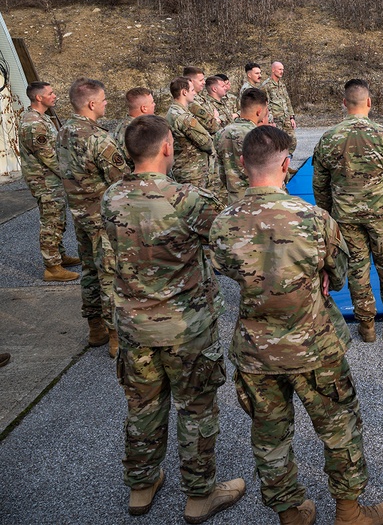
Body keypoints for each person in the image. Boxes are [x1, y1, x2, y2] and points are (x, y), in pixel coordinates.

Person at [211, 126, 383, 525]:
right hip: (314, 347)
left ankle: (291, 514)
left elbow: (227, 269)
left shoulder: (224, 222)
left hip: (255, 350)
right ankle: (348, 513)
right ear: (286, 165)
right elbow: (340, 274)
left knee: (270, 436)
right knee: (339, 430)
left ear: (242, 164)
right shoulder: (314, 219)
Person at [102, 115, 245, 523]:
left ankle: (142, 485)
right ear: (168, 147)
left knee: (142, 406)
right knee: (196, 408)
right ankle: (200, 495)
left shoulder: (112, 196)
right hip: (187, 328)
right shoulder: (188, 198)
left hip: (134, 326)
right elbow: (229, 242)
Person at [312, 79, 383, 343]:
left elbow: (320, 185)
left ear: (344, 104)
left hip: (345, 217)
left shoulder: (329, 138)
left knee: (357, 269)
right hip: (382, 216)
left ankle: (366, 325)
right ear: (369, 103)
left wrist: (327, 219)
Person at [56, 78, 129, 350]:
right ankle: (114, 336)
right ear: (91, 103)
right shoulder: (98, 138)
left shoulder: (63, 131)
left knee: (89, 270)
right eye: (104, 99)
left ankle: (95, 328)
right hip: (101, 218)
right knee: (109, 274)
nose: (107, 103)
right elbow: (120, 179)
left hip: (79, 214)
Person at [18, 81, 80, 282]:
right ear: (39, 97)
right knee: (51, 221)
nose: (55, 96)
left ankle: (59, 256)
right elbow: (50, 158)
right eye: (51, 93)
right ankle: (52, 268)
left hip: (51, 180)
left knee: (57, 218)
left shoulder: (41, 119)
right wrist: (72, 175)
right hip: (45, 182)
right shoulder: (34, 124)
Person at [214, 88, 269, 204]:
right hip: (257, 200)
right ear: (259, 111)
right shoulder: (259, 135)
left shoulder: (221, 133)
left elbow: (219, 172)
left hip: (231, 201)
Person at [166, 76, 214, 186]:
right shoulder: (183, 117)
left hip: (185, 169)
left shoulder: (173, 111)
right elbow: (206, 143)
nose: (195, 93)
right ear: (184, 92)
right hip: (192, 173)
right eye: (192, 90)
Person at [112, 87, 156, 169]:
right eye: (152, 102)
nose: (154, 105)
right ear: (144, 108)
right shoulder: (137, 130)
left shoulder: (122, 125)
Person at [261, 62, 297, 154]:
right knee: (277, 145)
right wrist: (270, 120)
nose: (282, 71)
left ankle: (287, 161)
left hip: (286, 118)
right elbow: (265, 104)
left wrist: (292, 117)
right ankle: (278, 165)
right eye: (280, 69)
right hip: (276, 120)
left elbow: (287, 101)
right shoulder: (266, 85)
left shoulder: (282, 85)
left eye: (283, 69)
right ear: (273, 70)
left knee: (292, 142)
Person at [184, 67, 221, 137]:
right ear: (191, 81)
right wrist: (216, 119)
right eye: (201, 80)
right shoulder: (191, 102)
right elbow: (212, 126)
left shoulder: (202, 97)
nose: (204, 82)